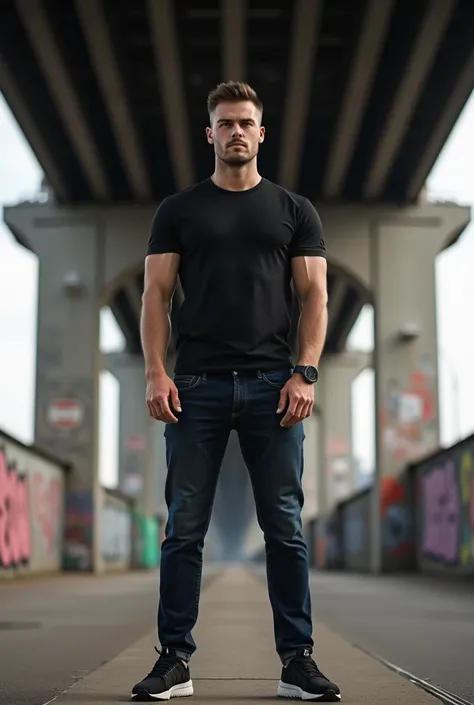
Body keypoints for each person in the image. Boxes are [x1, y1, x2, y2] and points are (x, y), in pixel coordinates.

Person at [132, 81, 341, 703]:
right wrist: (154, 371)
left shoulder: (294, 210)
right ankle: (174, 660)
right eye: (225, 124)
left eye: (246, 123)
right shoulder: (179, 210)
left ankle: (296, 662)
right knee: (183, 529)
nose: (236, 133)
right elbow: (156, 296)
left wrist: (305, 371)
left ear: (260, 133)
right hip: (194, 386)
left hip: (274, 387)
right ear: (211, 134)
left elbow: (315, 298)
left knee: (284, 528)